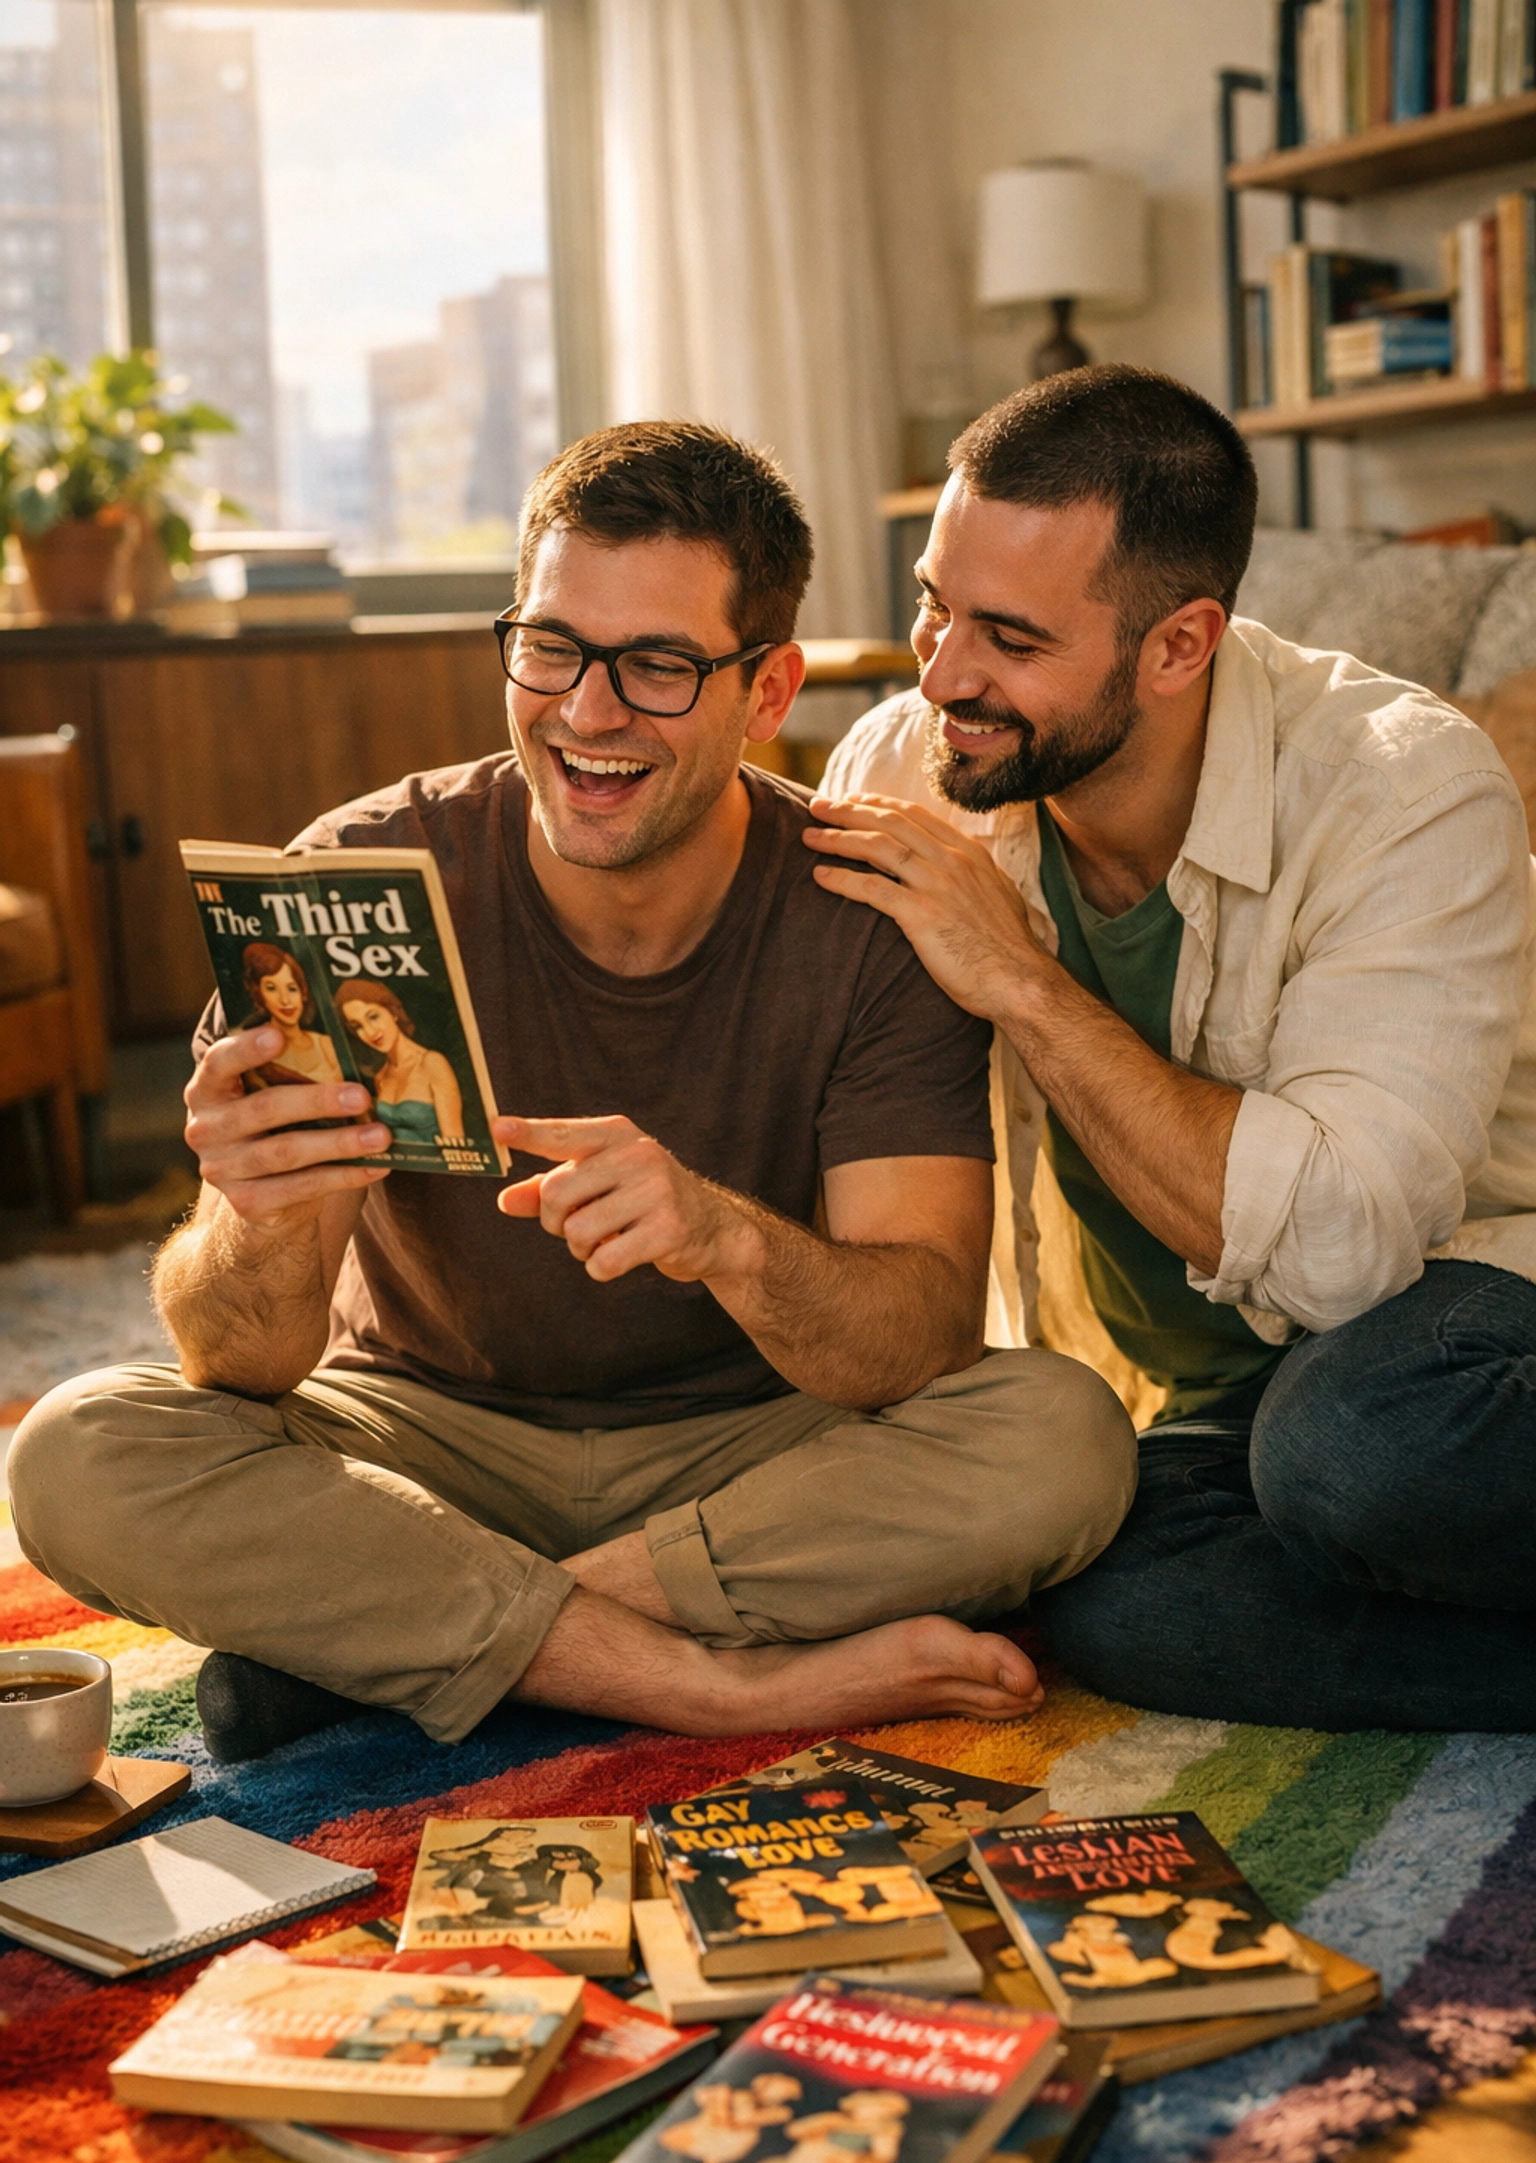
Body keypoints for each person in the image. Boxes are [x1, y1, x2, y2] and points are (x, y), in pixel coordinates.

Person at [9, 419, 1135, 1763]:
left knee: (1061, 1443)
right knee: (77, 1450)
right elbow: (243, 1364)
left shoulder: (869, 913)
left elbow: (916, 1341)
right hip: (417, 1436)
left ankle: (408, 1637)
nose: (585, 714)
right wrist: (256, 1212)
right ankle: (718, 1682)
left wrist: (721, 1235)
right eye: (550, 647)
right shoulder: (353, 878)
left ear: (767, 691)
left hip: (751, 1452)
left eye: (658, 666)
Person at [809, 365, 1536, 1735]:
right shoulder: (906, 761)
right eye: (931, 604)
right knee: (1109, 1590)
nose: (943, 675)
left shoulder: (1406, 785)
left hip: (1464, 1325)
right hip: (1209, 1405)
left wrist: (1020, 980)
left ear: (1181, 644)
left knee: (1356, 1451)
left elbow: (1339, 1255)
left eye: (1009, 638)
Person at [338, 983, 465, 1145]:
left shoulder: (432, 1063)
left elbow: (455, 1144)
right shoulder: (381, 1075)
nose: (370, 1032)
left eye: (373, 1017)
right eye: (358, 1026)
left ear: (393, 1013)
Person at [240, 943, 341, 1089]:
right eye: (271, 988)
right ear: (259, 994)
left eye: (292, 989)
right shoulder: (254, 1050)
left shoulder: (325, 1045)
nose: (285, 1000)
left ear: (303, 993)